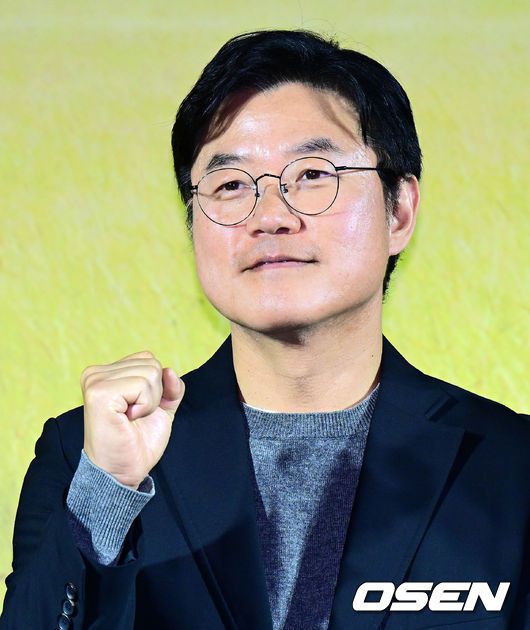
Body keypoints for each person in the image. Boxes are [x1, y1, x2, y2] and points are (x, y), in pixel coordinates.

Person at [1, 29, 528, 630]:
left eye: (313, 174)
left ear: (399, 211)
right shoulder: (88, 457)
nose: (271, 216)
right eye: (230, 185)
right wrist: (108, 493)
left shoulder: (513, 465)